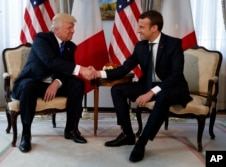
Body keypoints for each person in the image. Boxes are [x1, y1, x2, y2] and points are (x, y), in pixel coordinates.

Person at [95, 10, 192, 162]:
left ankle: (142, 142)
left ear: (154, 28)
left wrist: (152, 92)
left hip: (173, 87)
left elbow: (175, 75)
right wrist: (99, 74)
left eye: (141, 27)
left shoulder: (173, 44)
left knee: (163, 96)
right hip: (148, 84)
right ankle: (127, 134)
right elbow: (124, 69)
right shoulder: (140, 46)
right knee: (117, 89)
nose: (138, 30)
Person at [12, 13, 95, 153]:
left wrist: (57, 82)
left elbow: (66, 70)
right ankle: (26, 135)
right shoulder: (41, 39)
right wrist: (81, 69)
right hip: (34, 80)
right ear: (57, 30)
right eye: (70, 27)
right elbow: (50, 61)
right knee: (28, 86)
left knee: (77, 84)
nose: (73, 31)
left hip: (52, 83)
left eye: (73, 28)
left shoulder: (70, 46)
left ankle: (71, 129)